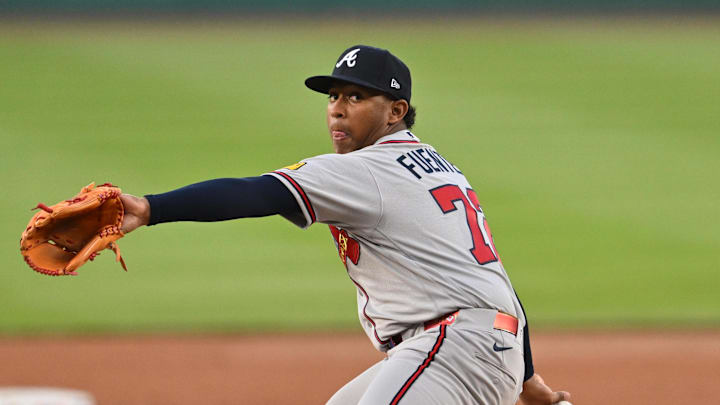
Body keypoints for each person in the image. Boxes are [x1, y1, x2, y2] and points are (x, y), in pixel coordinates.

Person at [120, 45, 571, 405]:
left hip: (455, 346)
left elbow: (259, 193)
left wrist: (149, 208)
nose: (337, 108)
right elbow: (498, 285)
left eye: (356, 97)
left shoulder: (367, 169)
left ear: (396, 111)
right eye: (334, 96)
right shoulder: (436, 165)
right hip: (479, 344)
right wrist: (527, 380)